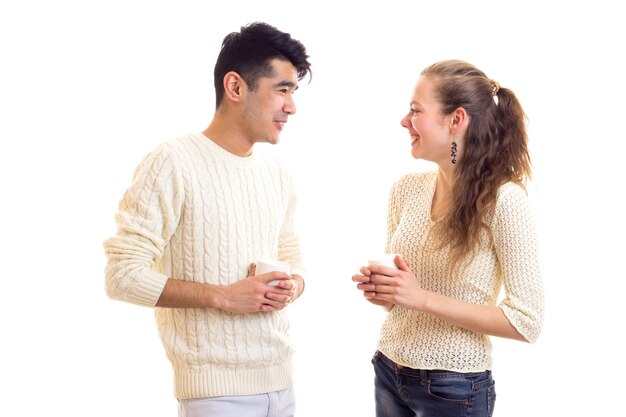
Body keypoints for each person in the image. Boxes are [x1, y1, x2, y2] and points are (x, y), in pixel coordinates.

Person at [104, 22, 311, 417]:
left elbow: (295, 260)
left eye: (293, 92)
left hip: (282, 385)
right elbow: (122, 275)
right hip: (214, 397)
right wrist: (223, 296)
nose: (291, 106)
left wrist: (293, 286)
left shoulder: (277, 174)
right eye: (282, 90)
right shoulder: (172, 162)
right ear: (236, 87)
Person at [352, 60, 544, 417]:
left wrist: (421, 298)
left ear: (456, 120)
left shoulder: (505, 201)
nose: (404, 121)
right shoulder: (405, 189)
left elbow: (526, 322)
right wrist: (386, 291)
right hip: (389, 370)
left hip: (455, 388)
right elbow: (403, 299)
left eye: (415, 110)